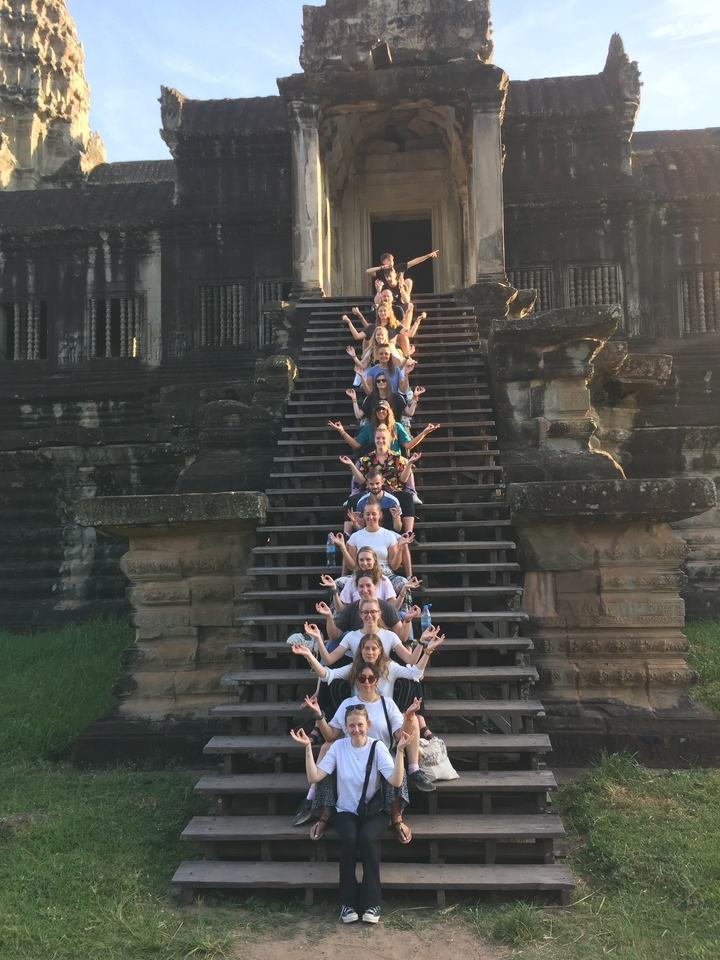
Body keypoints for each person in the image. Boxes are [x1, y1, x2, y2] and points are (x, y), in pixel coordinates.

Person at [290, 701, 410, 924]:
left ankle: (372, 903)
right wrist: (308, 747)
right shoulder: (338, 747)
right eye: (351, 726)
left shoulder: (377, 747)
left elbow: (395, 780)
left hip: (374, 811)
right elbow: (314, 777)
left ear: (368, 724)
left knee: (366, 839)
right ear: (345, 727)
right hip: (346, 811)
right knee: (350, 840)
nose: (356, 730)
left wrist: (401, 751)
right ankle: (347, 904)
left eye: (360, 725)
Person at [330, 496, 414, 578]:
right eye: (367, 514)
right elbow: (352, 567)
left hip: (384, 576)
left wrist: (400, 547)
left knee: (403, 582)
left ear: (380, 515)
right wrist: (342, 546)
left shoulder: (389, 535)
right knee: (339, 583)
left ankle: (409, 578)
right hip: (361, 576)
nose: (370, 517)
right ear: (363, 515)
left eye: (374, 514)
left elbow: (394, 567)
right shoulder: (355, 537)